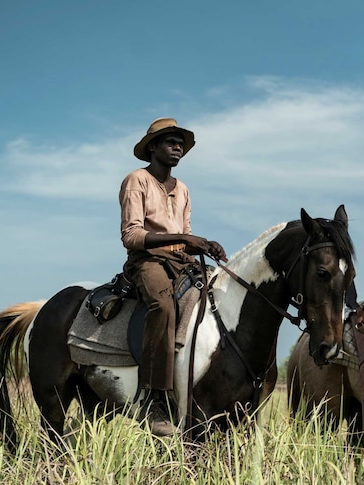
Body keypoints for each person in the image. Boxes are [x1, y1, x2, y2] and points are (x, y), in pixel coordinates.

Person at [120, 117, 227, 436]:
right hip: (147, 261)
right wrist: (183, 239)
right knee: (163, 306)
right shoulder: (136, 180)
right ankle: (153, 399)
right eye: (170, 141)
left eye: (180, 142)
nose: (177, 147)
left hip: (180, 261)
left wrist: (203, 244)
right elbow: (132, 235)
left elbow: (186, 237)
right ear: (152, 147)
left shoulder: (182, 189)